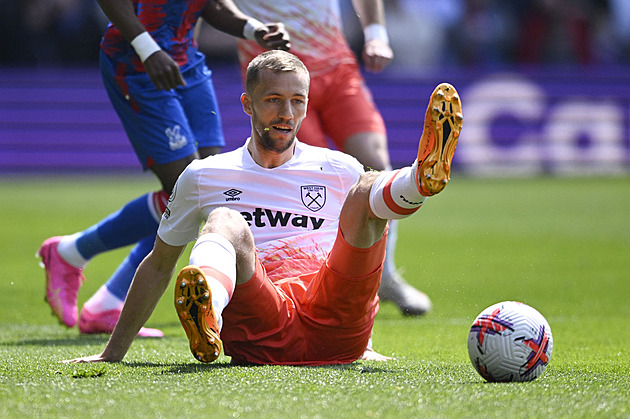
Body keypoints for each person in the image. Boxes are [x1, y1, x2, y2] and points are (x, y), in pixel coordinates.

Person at [63, 50, 463, 365]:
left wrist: (366, 344)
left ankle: (419, 178)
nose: (286, 114)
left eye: (296, 101)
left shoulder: (337, 167)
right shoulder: (205, 174)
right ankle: (208, 315)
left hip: (337, 328)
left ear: (306, 105)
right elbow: (159, 262)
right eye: (273, 100)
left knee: (364, 190)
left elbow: (359, 262)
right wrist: (112, 352)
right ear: (247, 104)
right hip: (261, 328)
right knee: (224, 220)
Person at [37, 0, 290, 337]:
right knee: (186, 187)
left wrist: (252, 29)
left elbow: (213, 5)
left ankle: (101, 294)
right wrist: (147, 49)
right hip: (136, 63)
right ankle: (75, 257)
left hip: (187, 62)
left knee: (212, 183)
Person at [230, 0, 431, 316]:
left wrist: (376, 34)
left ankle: (384, 276)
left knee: (376, 167)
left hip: (336, 66)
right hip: (274, 74)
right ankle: (310, 281)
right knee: (309, 177)